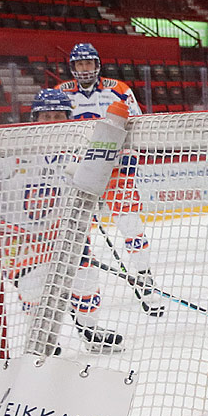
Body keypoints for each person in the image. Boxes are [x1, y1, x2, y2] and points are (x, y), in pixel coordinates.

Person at [0, 88, 122, 351]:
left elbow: (90, 191)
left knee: (86, 278)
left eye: (58, 115)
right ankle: (42, 337)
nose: (52, 121)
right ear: (34, 118)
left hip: (62, 232)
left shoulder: (76, 150)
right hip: (18, 235)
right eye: (46, 115)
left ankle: (90, 330)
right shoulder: (11, 148)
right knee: (34, 286)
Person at [56, 43, 154, 286]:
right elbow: (53, 133)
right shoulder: (60, 93)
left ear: (97, 65)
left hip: (115, 168)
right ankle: (80, 286)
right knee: (77, 232)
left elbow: (137, 126)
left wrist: (131, 157)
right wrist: (64, 162)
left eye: (88, 63)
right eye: (80, 64)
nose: (85, 68)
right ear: (73, 67)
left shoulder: (119, 89)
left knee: (131, 223)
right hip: (78, 171)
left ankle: (144, 273)